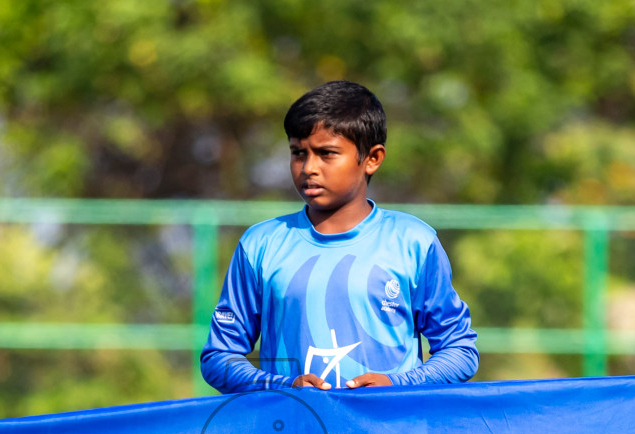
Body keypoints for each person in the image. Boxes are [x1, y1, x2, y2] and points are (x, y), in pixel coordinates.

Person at [201, 80, 478, 393]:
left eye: (326, 153)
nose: (309, 168)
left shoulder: (413, 242)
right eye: (298, 153)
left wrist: (397, 385)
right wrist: (281, 386)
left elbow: (460, 350)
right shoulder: (260, 245)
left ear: (372, 158)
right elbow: (219, 357)